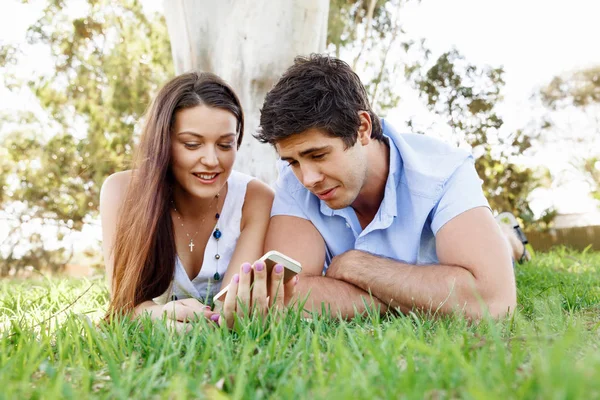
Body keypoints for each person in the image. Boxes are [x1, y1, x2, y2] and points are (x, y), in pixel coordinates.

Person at [257, 54, 521, 320]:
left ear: (362, 128)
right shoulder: (294, 181)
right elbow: (281, 292)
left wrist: (356, 266)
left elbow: (493, 301)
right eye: (293, 161)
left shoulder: (444, 171)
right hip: (429, 280)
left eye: (318, 155)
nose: (308, 179)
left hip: (471, 234)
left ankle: (509, 236)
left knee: (505, 248)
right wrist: (410, 299)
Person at [100, 72, 296, 330]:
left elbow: (228, 312)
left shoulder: (255, 199)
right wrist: (155, 316)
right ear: (164, 143)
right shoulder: (121, 191)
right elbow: (122, 306)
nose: (212, 160)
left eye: (225, 145)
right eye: (192, 144)